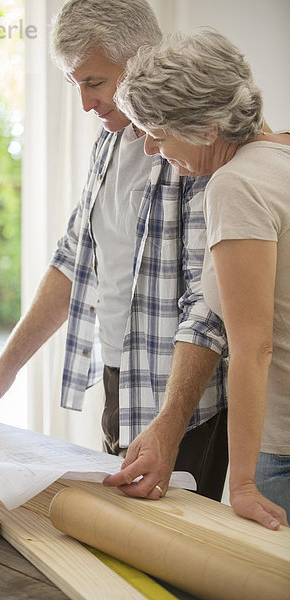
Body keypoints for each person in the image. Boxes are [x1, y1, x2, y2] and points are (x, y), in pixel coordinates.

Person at [0, 1, 229, 502]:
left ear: (142, 58)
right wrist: (0, 375)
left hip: (182, 401)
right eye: (73, 84)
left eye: (94, 83)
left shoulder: (195, 144)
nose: (84, 104)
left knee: (168, 559)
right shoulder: (110, 139)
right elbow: (73, 261)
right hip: (119, 377)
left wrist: (169, 423)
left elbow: (209, 303)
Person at [114, 26, 289, 529]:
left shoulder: (236, 186)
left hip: (283, 453)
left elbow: (253, 345)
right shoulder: (281, 155)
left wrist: (245, 484)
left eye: (158, 131)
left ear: (208, 128)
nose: (150, 149)